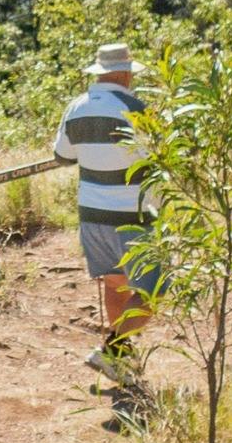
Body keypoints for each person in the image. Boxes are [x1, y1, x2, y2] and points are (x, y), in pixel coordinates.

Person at [52, 42, 160, 382]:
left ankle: (121, 360)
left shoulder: (76, 107)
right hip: (133, 216)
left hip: (92, 214)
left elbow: (62, 154)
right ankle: (114, 350)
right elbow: (160, 159)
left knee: (116, 286)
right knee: (151, 291)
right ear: (126, 74)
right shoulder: (137, 109)